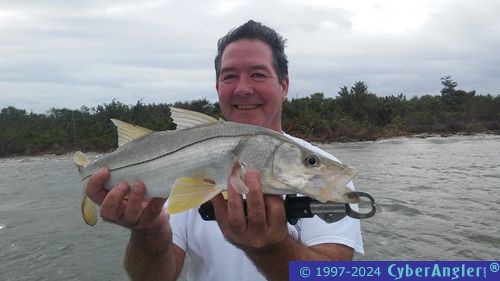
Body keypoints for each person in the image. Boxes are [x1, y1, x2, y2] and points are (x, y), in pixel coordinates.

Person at [85, 20, 363, 281]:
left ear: (284, 85)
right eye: (229, 76)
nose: (243, 89)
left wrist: (270, 248)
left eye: (258, 74)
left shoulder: (327, 177)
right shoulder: (183, 170)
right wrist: (148, 231)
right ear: (217, 87)